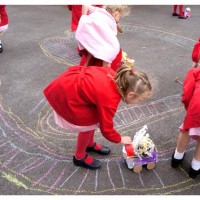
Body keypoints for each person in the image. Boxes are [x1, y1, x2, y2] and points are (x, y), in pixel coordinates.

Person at [43, 65, 152, 170]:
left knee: (93, 117)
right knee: (87, 124)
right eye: (139, 100)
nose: (138, 103)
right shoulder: (110, 100)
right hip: (67, 94)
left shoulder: (113, 75)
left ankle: (89, 145)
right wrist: (119, 139)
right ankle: (79, 157)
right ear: (130, 94)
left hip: (69, 84)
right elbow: (106, 128)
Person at [171, 38, 200, 179]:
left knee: (186, 130)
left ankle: (177, 157)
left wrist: (189, 108)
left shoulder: (194, 72)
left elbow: (187, 95)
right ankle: (195, 167)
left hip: (196, 110)